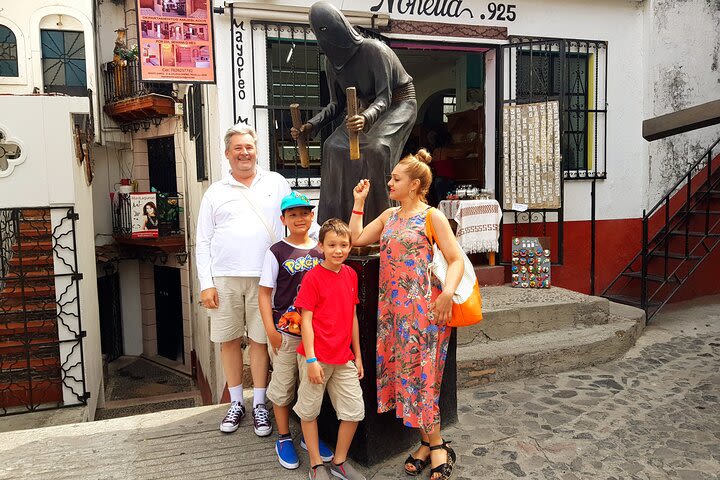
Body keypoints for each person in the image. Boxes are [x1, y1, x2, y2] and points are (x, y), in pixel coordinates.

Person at [348, 150, 463, 480]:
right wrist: (359, 201)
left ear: (415, 184)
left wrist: (447, 295)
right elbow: (355, 239)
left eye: (396, 179)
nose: (389, 183)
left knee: (425, 378)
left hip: (426, 311)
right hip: (393, 315)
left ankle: (438, 445)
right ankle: (427, 443)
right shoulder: (388, 216)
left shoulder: (432, 217)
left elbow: (454, 259)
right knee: (407, 378)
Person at [196, 124, 290, 436]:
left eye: (249, 147)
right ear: (227, 154)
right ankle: (236, 402)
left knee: (262, 340)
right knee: (229, 339)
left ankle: (260, 403)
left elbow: (297, 222)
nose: (244, 153)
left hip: (267, 279)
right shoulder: (215, 192)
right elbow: (204, 241)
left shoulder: (276, 183)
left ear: (256, 150)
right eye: (238, 148)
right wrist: (206, 282)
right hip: (224, 278)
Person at [291, 1, 417, 224]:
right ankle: (336, 222)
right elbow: (335, 104)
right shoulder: (332, 64)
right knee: (332, 147)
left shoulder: (374, 50)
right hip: (363, 109)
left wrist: (366, 117)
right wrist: (312, 125)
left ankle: (382, 220)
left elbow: (385, 97)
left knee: (376, 149)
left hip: (398, 104)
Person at [257, 191, 334, 469]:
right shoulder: (276, 251)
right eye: (293, 214)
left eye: (304, 213)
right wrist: (270, 330)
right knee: (282, 387)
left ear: (312, 216)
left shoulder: (320, 249)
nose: (299, 218)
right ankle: (284, 436)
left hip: (315, 335)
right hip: (286, 332)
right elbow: (265, 293)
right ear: (283, 219)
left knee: (310, 388)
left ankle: (308, 438)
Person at [294, 219, 366, 480]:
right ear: (321, 246)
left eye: (344, 245)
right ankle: (316, 464)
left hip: (343, 357)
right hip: (316, 356)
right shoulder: (313, 277)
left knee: (354, 411)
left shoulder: (350, 275)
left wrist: (357, 355)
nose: (338, 250)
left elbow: (353, 316)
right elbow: (306, 319)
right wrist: (312, 359)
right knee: (309, 410)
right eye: (332, 245)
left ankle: (339, 461)